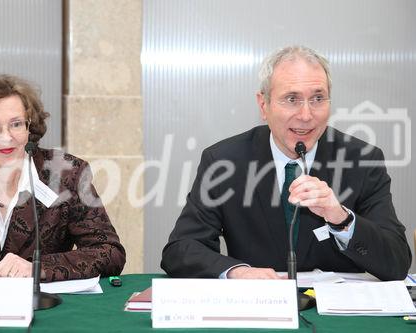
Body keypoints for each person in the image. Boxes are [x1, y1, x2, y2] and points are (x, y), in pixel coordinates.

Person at [161, 45, 411, 281]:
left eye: (317, 98)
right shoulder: (224, 161)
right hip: (261, 309)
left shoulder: (362, 159)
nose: (306, 115)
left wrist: (341, 218)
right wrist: (237, 272)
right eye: (292, 99)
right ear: (264, 104)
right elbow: (181, 249)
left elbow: (397, 262)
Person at [0, 74, 126, 281]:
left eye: (16, 124)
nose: (6, 137)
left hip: (47, 307)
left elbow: (110, 253)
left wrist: (39, 268)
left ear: (29, 127)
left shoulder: (67, 174)